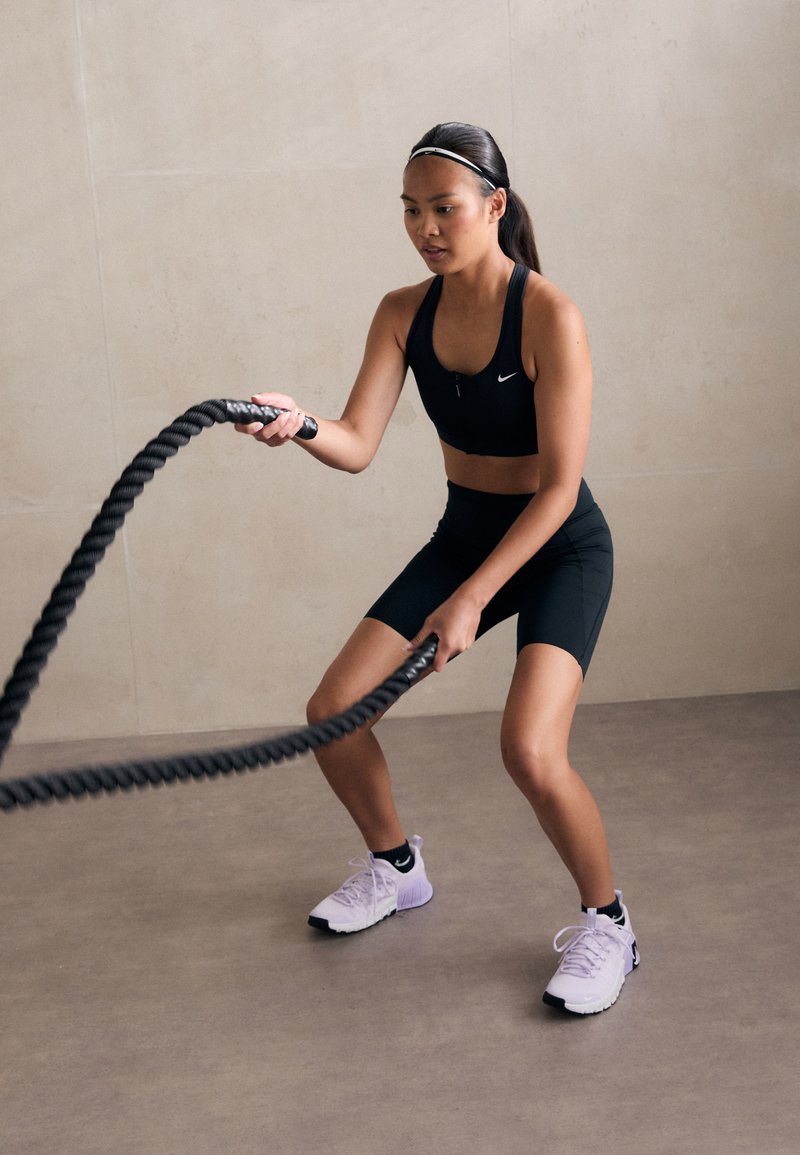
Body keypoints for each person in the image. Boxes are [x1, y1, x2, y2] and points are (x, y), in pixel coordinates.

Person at [236, 122, 639, 1015]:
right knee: (332, 711)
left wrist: (471, 600)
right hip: (466, 533)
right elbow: (356, 444)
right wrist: (298, 423)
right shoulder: (400, 312)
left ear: (494, 206)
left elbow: (561, 487)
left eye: (444, 208)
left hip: (557, 543)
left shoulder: (549, 315)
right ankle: (396, 867)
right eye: (411, 210)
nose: (426, 226)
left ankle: (610, 922)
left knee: (530, 751)